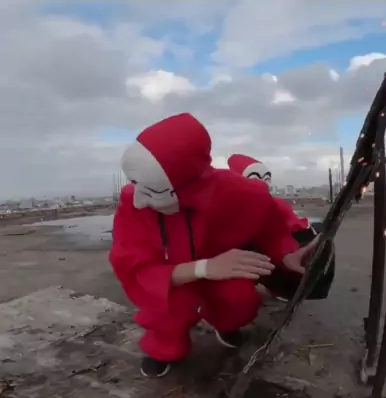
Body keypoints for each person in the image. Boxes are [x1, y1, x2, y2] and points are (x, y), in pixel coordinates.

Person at [109, 113, 312, 378]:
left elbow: (271, 228)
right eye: (134, 182)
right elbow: (135, 265)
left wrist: (286, 255)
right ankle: (164, 348)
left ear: (187, 184)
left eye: (152, 190)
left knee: (240, 299)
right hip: (171, 278)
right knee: (168, 309)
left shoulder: (240, 193)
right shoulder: (133, 204)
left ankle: (224, 322)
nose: (138, 199)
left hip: (222, 271)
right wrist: (204, 268)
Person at [227, 152, 335, 302]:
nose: (263, 183)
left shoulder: (273, 203)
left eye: (267, 179)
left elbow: (286, 227)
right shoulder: (238, 207)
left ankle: (298, 287)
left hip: (287, 246)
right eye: (255, 178)